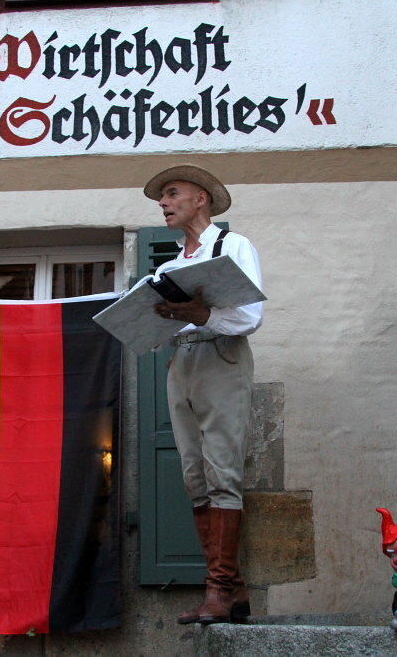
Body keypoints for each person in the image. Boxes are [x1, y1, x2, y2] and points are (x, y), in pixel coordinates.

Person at [143, 164, 262, 625]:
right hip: (182, 362)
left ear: (201, 199)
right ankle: (233, 593)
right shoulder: (170, 264)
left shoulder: (233, 246)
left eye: (172, 193)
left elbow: (250, 318)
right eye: (163, 196)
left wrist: (203, 313)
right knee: (194, 477)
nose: (163, 202)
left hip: (221, 354)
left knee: (222, 473)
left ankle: (219, 590)